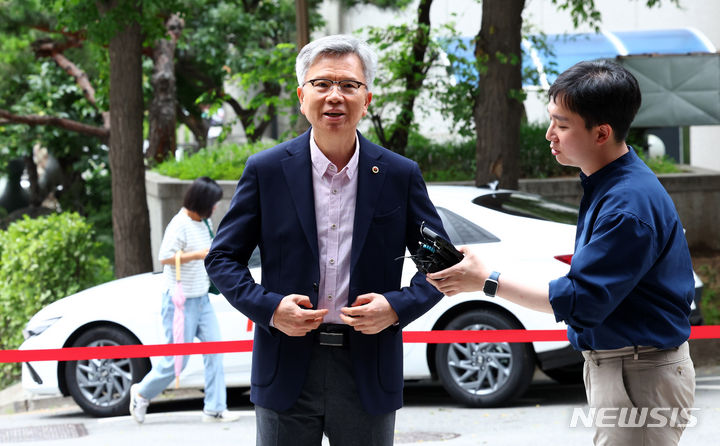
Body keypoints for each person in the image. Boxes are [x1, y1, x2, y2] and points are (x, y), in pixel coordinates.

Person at [427, 60, 695, 446]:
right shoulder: (609, 184)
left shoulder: (626, 204)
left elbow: (580, 299)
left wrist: (486, 280)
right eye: (551, 120)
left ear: (601, 132)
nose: (550, 134)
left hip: (638, 371)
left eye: (562, 125)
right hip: (628, 366)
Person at [205, 34, 446, 446]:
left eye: (349, 85)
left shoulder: (399, 174)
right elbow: (223, 258)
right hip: (286, 364)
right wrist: (270, 308)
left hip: (368, 367)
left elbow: (442, 266)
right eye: (322, 84)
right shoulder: (266, 171)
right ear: (302, 97)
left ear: (366, 99)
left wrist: (395, 308)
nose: (335, 95)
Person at [129, 177, 240, 424]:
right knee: (176, 360)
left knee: (215, 352)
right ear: (201, 202)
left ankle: (214, 408)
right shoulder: (179, 224)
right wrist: (196, 255)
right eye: (212, 203)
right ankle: (141, 392)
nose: (214, 208)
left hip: (201, 299)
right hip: (180, 303)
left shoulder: (204, 222)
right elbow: (164, 257)